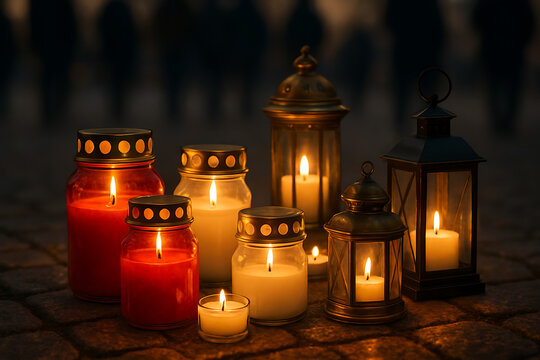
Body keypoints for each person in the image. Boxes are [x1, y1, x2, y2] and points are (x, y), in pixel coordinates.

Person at [473, 0, 534, 136]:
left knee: (494, 86)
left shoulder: (487, 3)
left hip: (492, 49)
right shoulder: (520, 3)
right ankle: (507, 121)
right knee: (512, 88)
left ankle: (498, 120)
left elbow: (476, 20)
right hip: (513, 50)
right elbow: (529, 24)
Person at [386, 0, 444, 133]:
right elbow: (439, 27)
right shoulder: (431, 3)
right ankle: (427, 122)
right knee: (426, 92)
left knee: (402, 90)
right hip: (426, 52)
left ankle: (400, 122)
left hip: (404, 50)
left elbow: (388, 20)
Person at [29, 0, 77, 125]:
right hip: (58, 50)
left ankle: (50, 113)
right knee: (57, 82)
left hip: (47, 49)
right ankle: (55, 112)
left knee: (48, 82)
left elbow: (33, 25)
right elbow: (71, 26)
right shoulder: (63, 4)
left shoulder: (38, 4)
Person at [98, 0, 138, 122]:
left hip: (113, 52)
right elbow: (132, 31)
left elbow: (102, 29)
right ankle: (119, 107)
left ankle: (117, 107)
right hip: (122, 52)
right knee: (120, 82)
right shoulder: (125, 9)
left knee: (115, 82)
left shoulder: (108, 9)